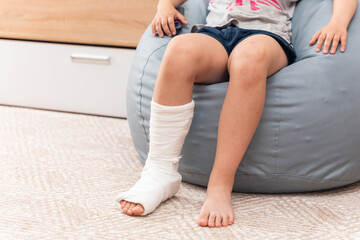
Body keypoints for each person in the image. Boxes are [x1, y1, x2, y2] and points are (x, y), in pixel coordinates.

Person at [116, 0, 358, 228]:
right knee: (178, 50)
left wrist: (337, 22)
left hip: (266, 38)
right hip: (215, 34)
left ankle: (220, 183)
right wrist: (164, 5)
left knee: (248, 60)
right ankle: (159, 173)